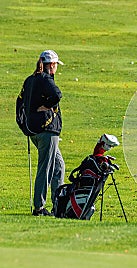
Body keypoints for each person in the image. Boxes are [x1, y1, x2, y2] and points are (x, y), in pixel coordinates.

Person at [22, 50, 65, 216]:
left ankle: (58, 205)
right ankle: (39, 207)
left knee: (59, 166)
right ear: (52, 65)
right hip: (47, 131)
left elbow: (21, 102)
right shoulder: (45, 79)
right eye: (55, 65)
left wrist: (25, 124)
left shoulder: (30, 80)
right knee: (46, 168)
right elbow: (57, 95)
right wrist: (48, 106)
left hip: (34, 131)